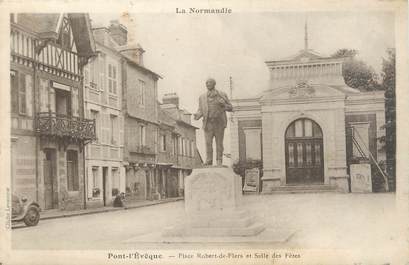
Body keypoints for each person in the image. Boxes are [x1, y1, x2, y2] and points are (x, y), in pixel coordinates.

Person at [194, 78, 233, 166]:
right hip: (208, 123)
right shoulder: (202, 97)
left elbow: (230, 107)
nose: (208, 84)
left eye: (209, 83)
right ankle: (209, 160)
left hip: (219, 122)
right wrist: (197, 115)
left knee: (219, 143)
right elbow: (201, 110)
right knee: (208, 143)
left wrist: (223, 105)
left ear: (214, 84)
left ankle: (219, 160)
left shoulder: (222, 94)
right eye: (206, 83)